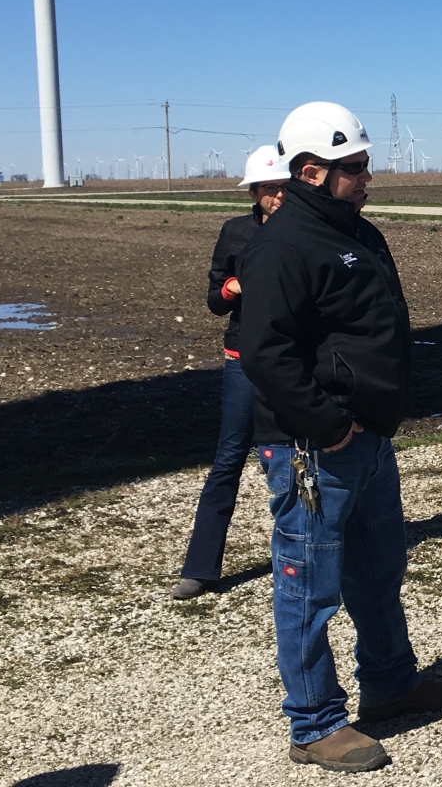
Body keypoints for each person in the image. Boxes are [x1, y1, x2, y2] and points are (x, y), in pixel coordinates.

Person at [238, 102, 442, 772]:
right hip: (315, 446)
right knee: (310, 584)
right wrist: (327, 424)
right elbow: (264, 353)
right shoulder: (283, 245)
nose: (369, 177)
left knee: (378, 569)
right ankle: (313, 723)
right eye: (356, 167)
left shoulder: (354, 231)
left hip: (367, 439)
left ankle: (391, 684)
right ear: (313, 171)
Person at [172, 148, 294, 601]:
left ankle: (309, 554)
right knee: (229, 458)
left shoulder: (305, 232)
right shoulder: (235, 233)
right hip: (242, 358)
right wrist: (231, 287)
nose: (276, 196)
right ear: (253, 192)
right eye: (267, 189)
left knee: (294, 456)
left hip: (292, 359)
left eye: (282, 188)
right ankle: (201, 568)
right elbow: (213, 299)